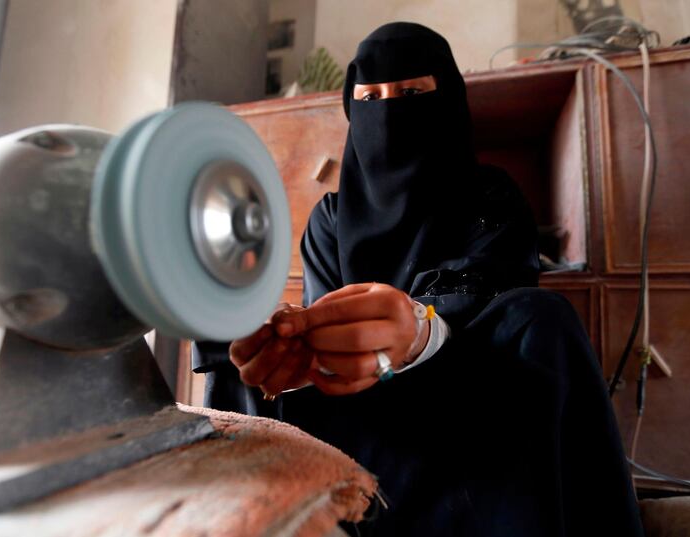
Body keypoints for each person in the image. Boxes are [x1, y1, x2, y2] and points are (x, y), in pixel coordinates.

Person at [194, 22, 643, 537]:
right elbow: (324, 336)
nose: (387, 112)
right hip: (361, 408)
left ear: (446, 101)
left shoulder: (491, 196)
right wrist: (292, 344)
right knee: (233, 351)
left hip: (469, 400)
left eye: (410, 93)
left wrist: (419, 332)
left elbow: (495, 298)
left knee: (543, 318)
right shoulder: (333, 218)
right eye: (370, 96)